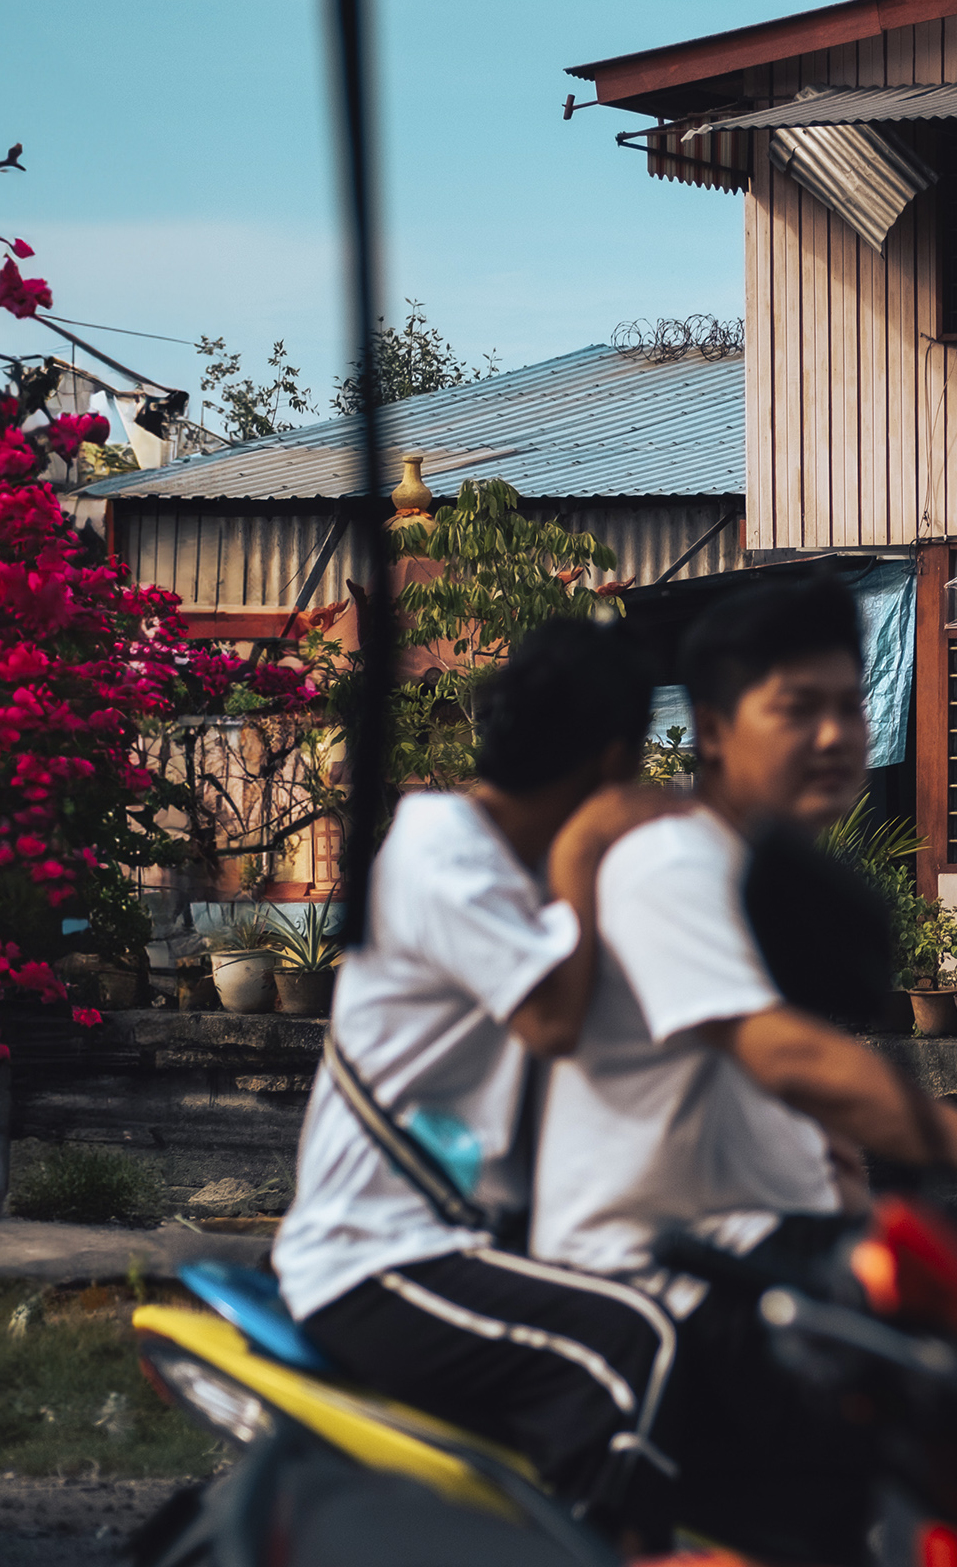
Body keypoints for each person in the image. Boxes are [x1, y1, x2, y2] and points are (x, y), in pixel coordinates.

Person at [528, 574, 957, 1565]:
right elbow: (785, 1054)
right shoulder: (674, 864)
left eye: (849, 705)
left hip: (761, 1249)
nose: (835, 734)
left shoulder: (765, 872)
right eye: (797, 709)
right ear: (713, 727)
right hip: (675, 1288)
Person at [273, 617, 681, 1532]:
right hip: (381, 1255)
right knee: (626, 1342)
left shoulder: (498, 863)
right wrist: (592, 848)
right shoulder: (447, 862)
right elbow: (552, 1017)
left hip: (466, 1233)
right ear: (614, 760)